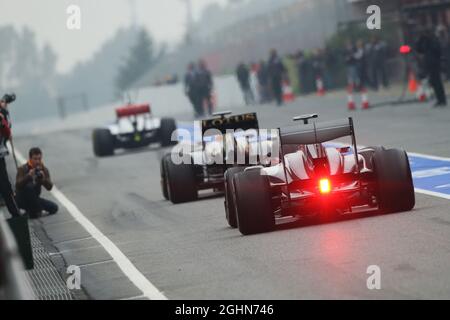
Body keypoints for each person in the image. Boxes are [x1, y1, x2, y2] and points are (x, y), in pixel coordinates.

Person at [15, 147, 58, 219]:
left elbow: (49, 187)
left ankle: (33, 210)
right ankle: (35, 210)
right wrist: (28, 176)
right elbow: (17, 186)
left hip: (35, 198)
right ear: (30, 159)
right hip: (22, 199)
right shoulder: (22, 168)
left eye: (39, 159)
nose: (37, 161)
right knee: (29, 187)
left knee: (54, 208)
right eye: (35, 159)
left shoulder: (43, 169)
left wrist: (43, 179)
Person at [0, 94, 20, 217]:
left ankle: (15, 212)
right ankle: (15, 212)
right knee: (5, 185)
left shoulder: (2, 115)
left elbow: (7, 131)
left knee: (5, 184)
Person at [416, 28, 447, 107]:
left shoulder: (434, 40)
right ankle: (439, 99)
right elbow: (419, 49)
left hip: (435, 64)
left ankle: (442, 99)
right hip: (429, 64)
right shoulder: (425, 41)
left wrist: (438, 61)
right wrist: (421, 39)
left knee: (437, 83)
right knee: (434, 83)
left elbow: (437, 51)